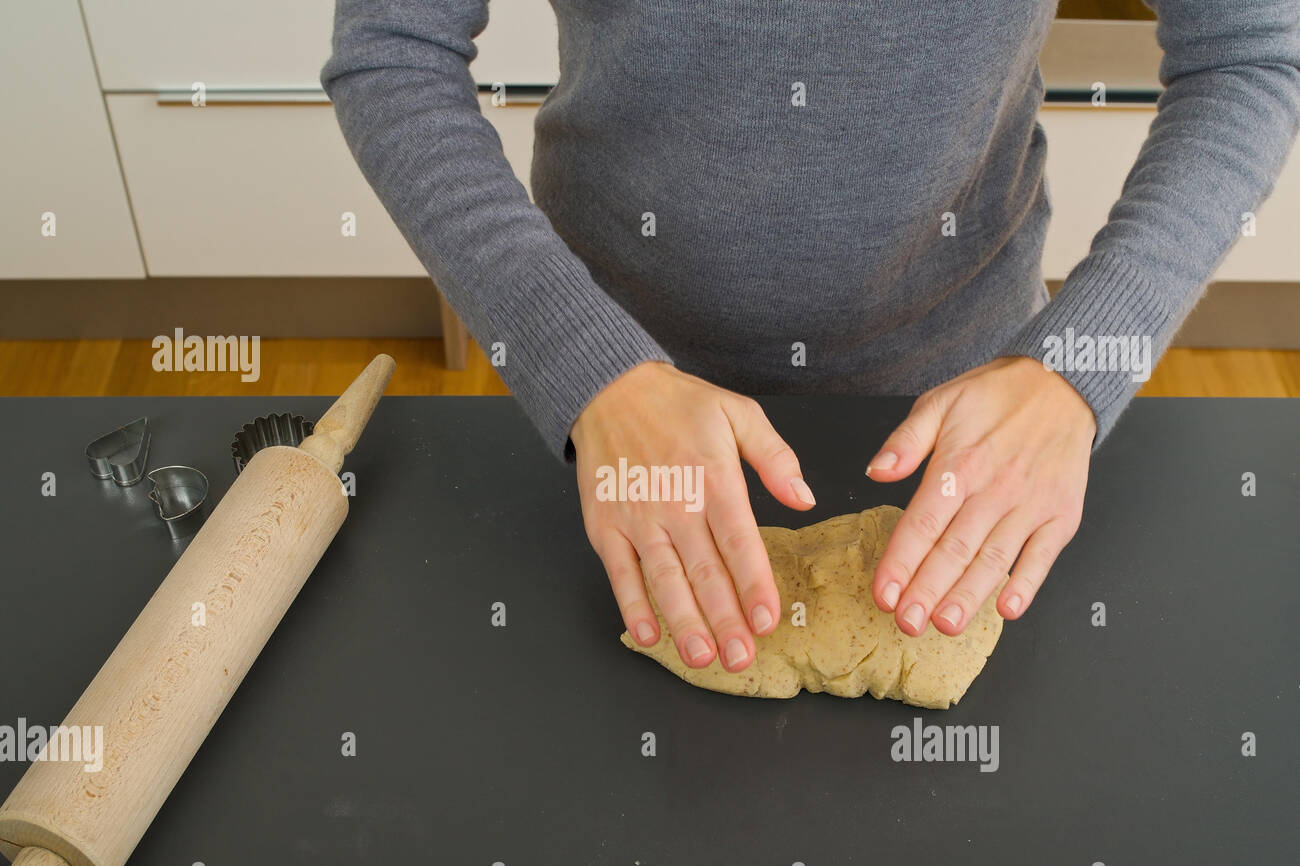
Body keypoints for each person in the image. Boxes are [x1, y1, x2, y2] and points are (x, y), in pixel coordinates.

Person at [322, 1, 1299, 674]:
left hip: (969, 419)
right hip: (609, 409)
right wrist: (589, 373)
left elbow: (1248, 54)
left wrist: (1078, 369)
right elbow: (394, 52)